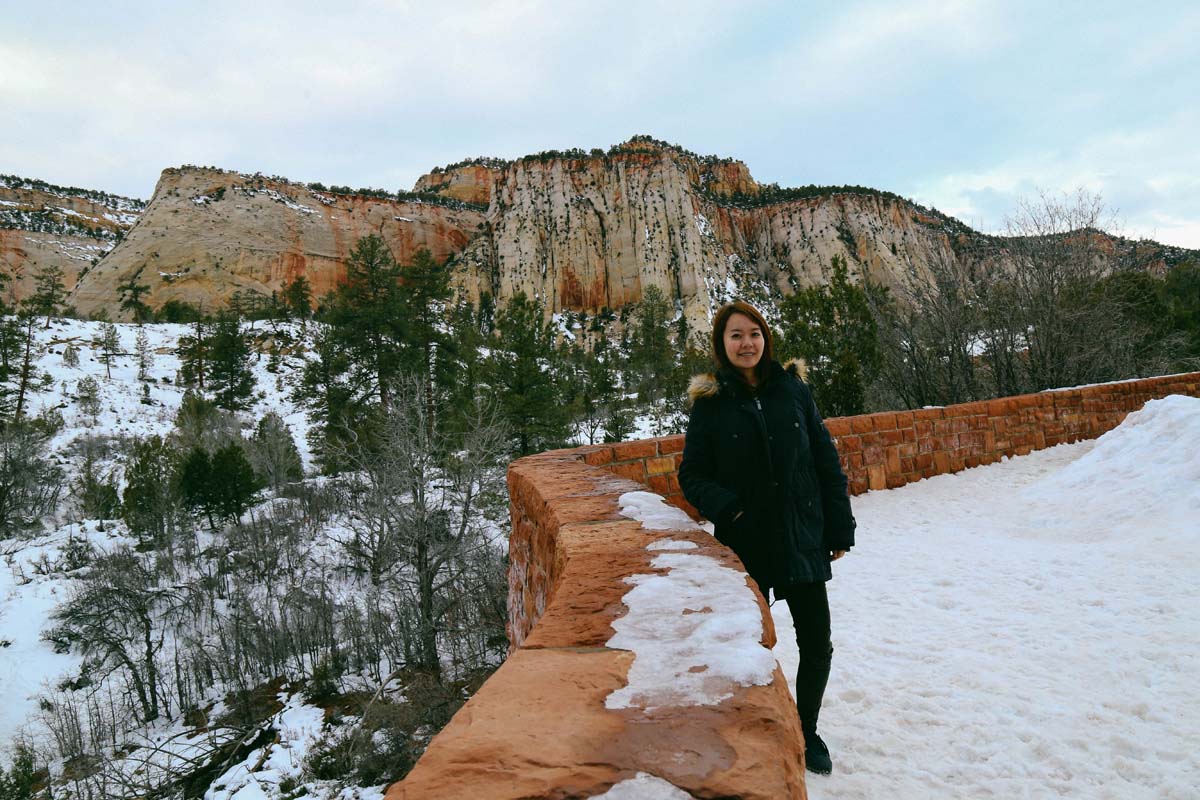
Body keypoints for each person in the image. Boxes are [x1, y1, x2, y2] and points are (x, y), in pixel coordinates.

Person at [678, 300, 856, 776]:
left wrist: (840, 528)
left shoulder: (794, 391)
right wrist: (731, 509)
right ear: (722, 344)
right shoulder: (711, 404)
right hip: (748, 542)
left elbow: (825, 462)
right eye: (736, 335)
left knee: (817, 642)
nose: (747, 343)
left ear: (766, 337)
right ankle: (755, 724)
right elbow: (691, 476)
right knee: (749, 644)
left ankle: (806, 728)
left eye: (754, 333)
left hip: (801, 536)